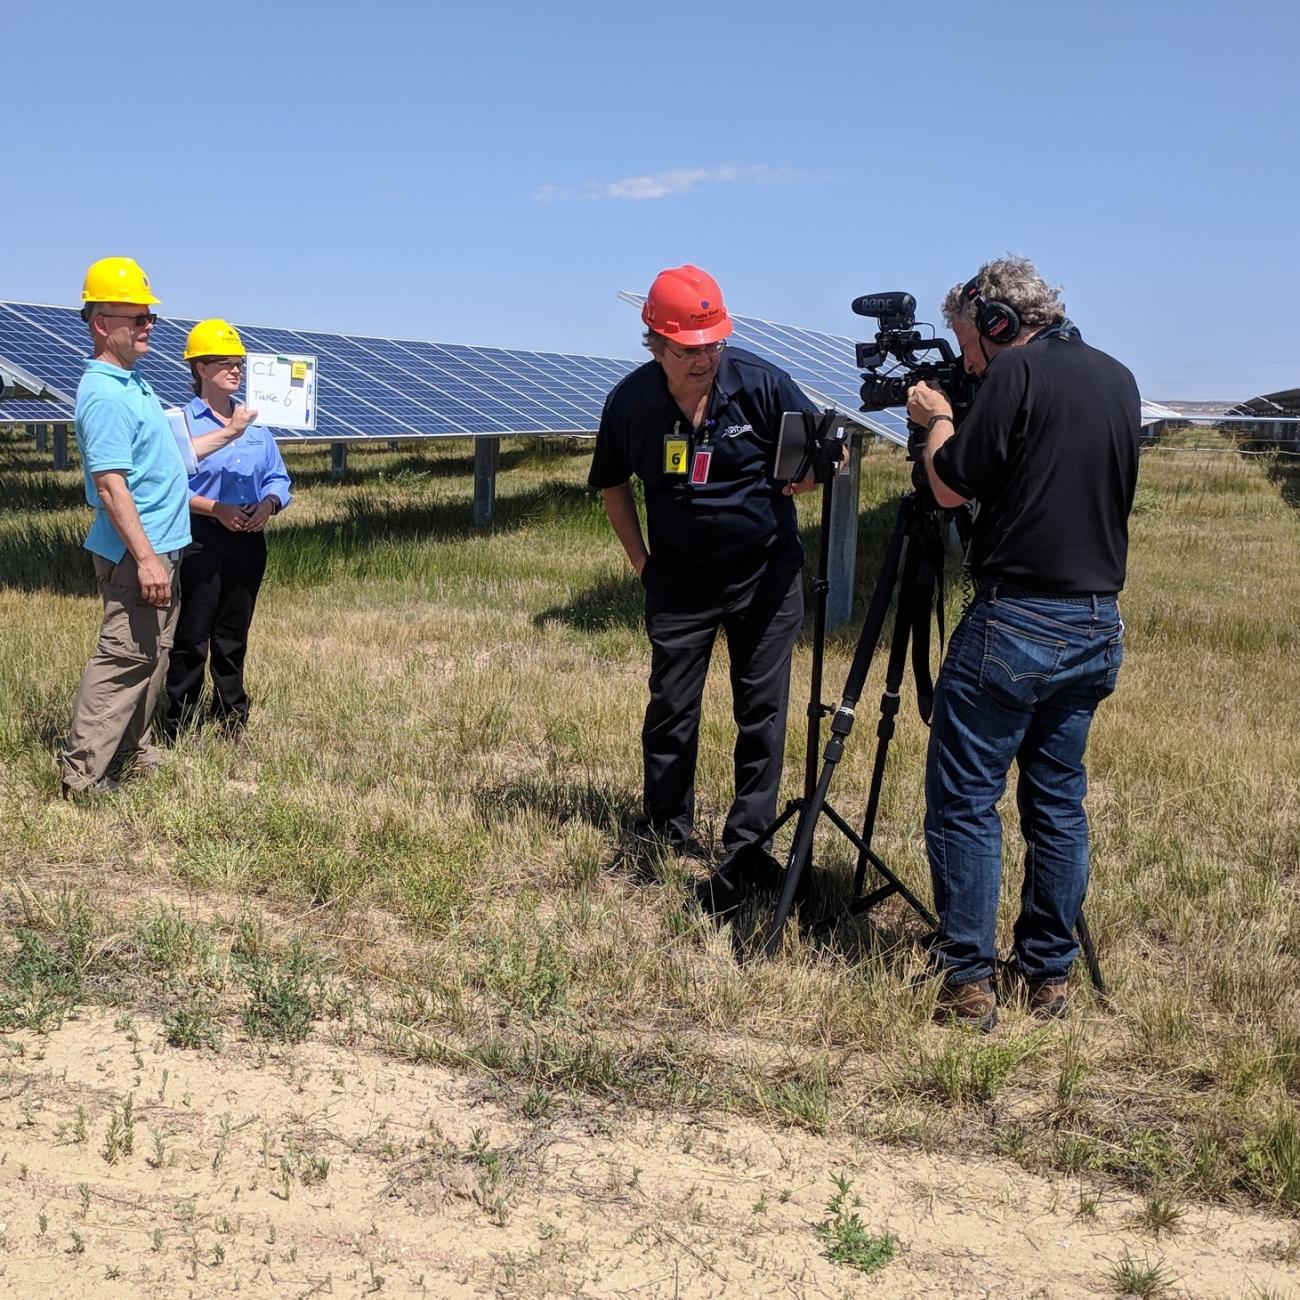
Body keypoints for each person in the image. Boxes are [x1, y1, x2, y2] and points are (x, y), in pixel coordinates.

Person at [905, 255, 1140, 1029]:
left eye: (972, 342)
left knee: (968, 800)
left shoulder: (1015, 374)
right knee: (1057, 802)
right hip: (1096, 622)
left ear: (999, 324)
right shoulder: (1117, 377)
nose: (969, 360)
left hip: (1017, 620)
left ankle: (969, 983)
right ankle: (1050, 978)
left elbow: (948, 486)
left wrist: (938, 418)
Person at [589, 264, 820, 916]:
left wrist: (812, 478)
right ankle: (665, 828)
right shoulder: (631, 403)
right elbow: (611, 484)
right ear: (656, 343)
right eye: (690, 350)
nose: (704, 359)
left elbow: (820, 459)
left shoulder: (764, 384)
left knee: (763, 712)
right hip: (680, 580)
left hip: (765, 576)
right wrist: (643, 565)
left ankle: (749, 844)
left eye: (714, 345)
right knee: (671, 707)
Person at [59, 259, 255, 798]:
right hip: (136, 552)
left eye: (151, 319)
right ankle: (83, 774)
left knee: (153, 653)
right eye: (139, 318)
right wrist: (145, 558)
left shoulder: (133, 383)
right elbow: (111, 486)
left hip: (165, 545)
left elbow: (170, 459)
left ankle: (133, 751)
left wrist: (230, 434)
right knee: (124, 657)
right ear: (102, 323)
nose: (149, 328)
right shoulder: (104, 394)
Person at [162, 320, 290, 739]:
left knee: (234, 631)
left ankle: (231, 716)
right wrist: (215, 510)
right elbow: (168, 484)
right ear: (200, 368)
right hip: (202, 537)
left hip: (250, 538)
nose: (236, 371)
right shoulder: (182, 423)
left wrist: (269, 505)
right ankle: (178, 720)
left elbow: (277, 477)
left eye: (239, 364)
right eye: (225, 363)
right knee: (193, 633)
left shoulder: (255, 424)